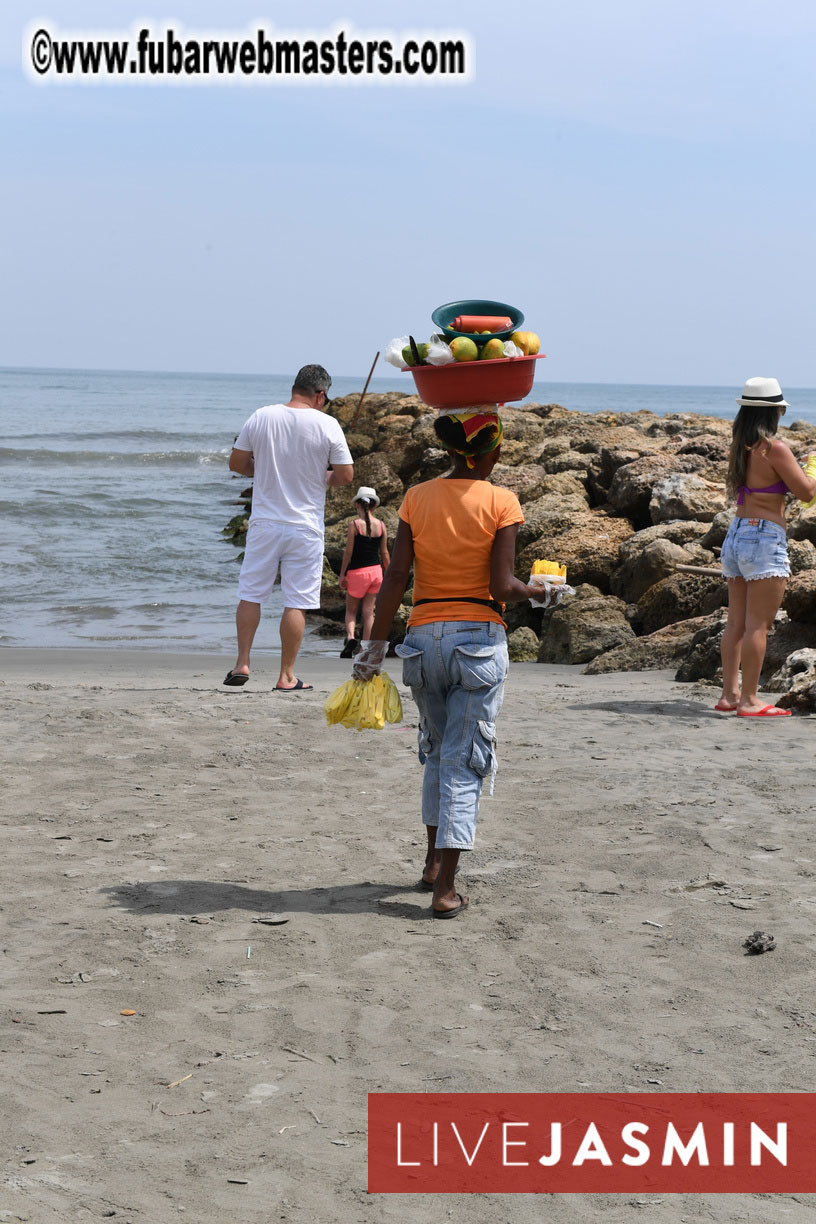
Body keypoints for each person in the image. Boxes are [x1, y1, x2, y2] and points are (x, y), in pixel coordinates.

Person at [352, 408, 550, 918]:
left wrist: (373, 650)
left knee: (437, 752)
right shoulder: (502, 500)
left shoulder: (418, 497)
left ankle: (431, 865)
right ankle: (446, 891)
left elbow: (395, 576)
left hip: (421, 640)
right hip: (478, 640)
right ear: (492, 452)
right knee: (464, 760)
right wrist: (539, 592)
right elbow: (503, 587)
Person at [224, 364, 353, 691]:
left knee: (251, 594)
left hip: (266, 523)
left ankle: (242, 662)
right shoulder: (328, 424)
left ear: (295, 387)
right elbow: (345, 474)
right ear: (320, 395)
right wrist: (325, 477)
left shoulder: (262, 416)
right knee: (296, 601)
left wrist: (263, 468)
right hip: (305, 527)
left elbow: (237, 463)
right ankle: (286, 676)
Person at [717, 377, 816, 718]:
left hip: (737, 532)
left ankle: (730, 695)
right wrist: (813, 467)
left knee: (736, 623)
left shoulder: (740, 446)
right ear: (774, 412)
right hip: (764, 537)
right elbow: (805, 493)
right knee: (759, 626)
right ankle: (749, 701)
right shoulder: (774, 448)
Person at [338, 486, 390, 658]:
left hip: (357, 573)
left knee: (351, 611)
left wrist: (342, 574)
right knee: (369, 612)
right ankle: (364, 649)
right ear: (374, 506)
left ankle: (351, 636)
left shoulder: (354, 525)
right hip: (376, 572)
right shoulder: (381, 526)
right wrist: (388, 573)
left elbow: (348, 553)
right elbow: (384, 553)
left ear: (357, 506)